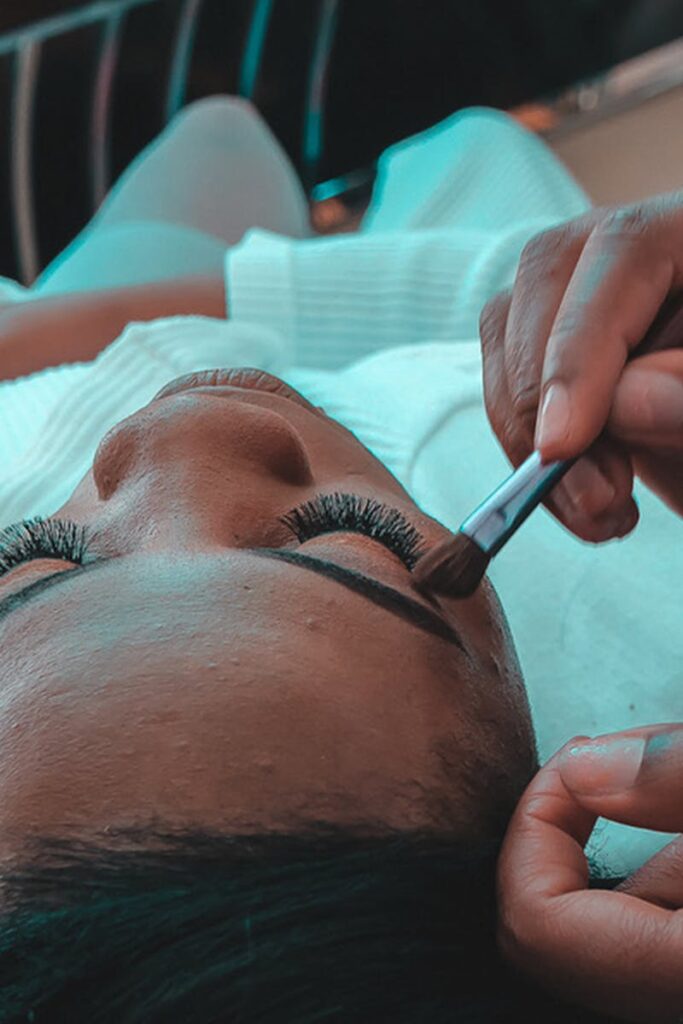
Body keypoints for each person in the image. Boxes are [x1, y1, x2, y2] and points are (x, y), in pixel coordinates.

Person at [0, 97, 679, 1022]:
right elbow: (534, 280)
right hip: (390, 307)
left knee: (220, 127)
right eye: (347, 539)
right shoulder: (623, 554)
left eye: (37, 563)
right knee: (441, 143)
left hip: (61, 355)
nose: (179, 421)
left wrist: (247, 294)